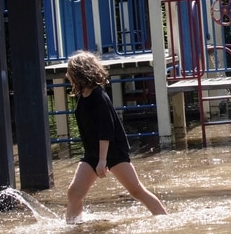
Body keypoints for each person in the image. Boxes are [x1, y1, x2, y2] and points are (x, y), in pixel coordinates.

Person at [65, 50, 167, 224]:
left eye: (70, 72)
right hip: (92, 153)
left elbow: (107, 129)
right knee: (74, 193)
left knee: (136, 191)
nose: (68, 75)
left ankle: (166, 220)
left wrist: (103, 160)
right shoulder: (82, 97)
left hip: (112, 152)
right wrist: (95, 158)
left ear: (81, 72)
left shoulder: (99, 96)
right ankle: (74, 226)